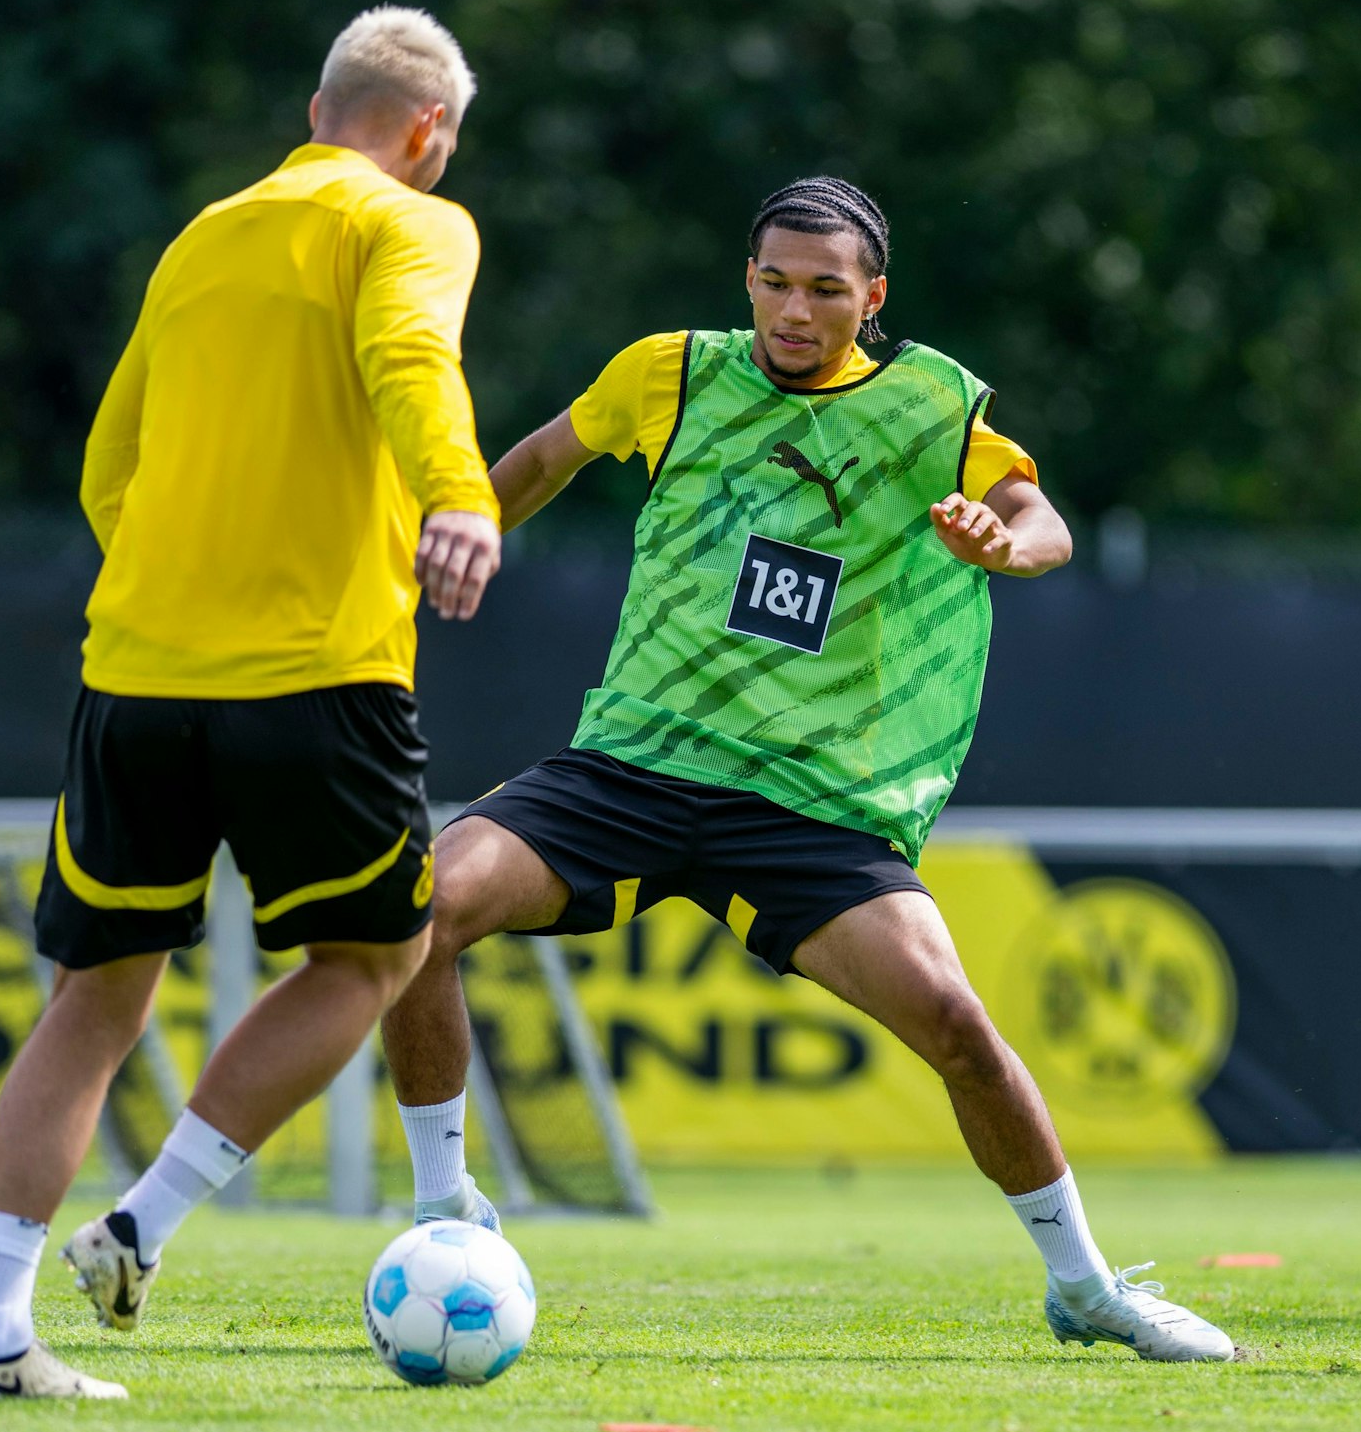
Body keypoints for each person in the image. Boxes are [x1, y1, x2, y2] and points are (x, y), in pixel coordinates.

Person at [379, 178, 1235, 1363]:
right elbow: (531, 461)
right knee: (417, 905)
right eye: (774, 282)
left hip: (809, 804)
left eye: (824, 290)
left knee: (953, 1023)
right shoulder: (667, 374)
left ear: (869, 298)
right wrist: (448, 533)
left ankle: (1085, 1286)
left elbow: (1044, 518)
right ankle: (443, 1213)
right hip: (630, 765)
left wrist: (1005, 543)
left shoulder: (930, 401)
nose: (794, 309)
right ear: (747, 280)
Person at [0, 6, 502, 1400]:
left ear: (319, 109)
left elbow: (107, 464)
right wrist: (459, 496)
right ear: (428, 131)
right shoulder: (416, 223)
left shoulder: (200, 237)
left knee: (95, 998)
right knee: (376, 959)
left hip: (133, 672)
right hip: (314, 673)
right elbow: (410, 363)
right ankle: (143, 1216)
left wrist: (176, 579)